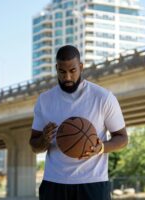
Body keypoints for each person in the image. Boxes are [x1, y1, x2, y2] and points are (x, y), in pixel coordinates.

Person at [29, 45, 128, 200]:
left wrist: (101, 148)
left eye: (72, 71)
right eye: (62, 71)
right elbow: (34, 146)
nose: (67, 77)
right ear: (56, 68)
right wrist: (43, 140)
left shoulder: (103, 98)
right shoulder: (45, 100)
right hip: (54, 183)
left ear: (81, 67)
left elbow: (122, 138)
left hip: (93, 183)